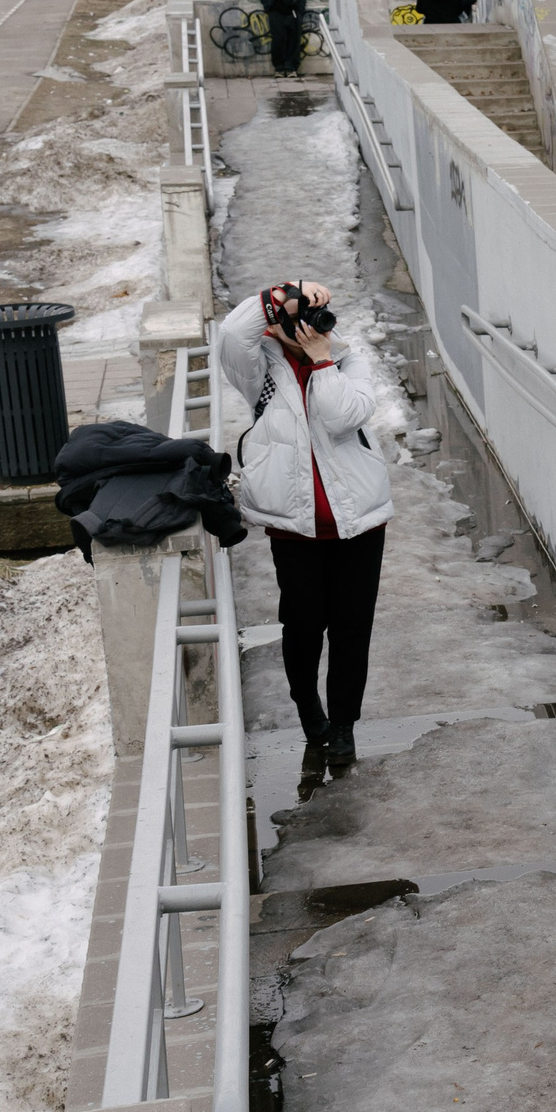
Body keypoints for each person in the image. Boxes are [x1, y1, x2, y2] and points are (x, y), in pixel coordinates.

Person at [217, 280, 394, 767]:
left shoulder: (347, 358)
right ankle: (308, 709)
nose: (305, 328)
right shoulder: (260, 369)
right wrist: (277, 296)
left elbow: (343, 417)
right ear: (274, 324)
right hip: (294, 528)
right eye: (293, 320)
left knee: (352, 629)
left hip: (358, 523)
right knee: (303, 626)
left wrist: (321, 360)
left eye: (311, 316)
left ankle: (343, 726)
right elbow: (232, 334)